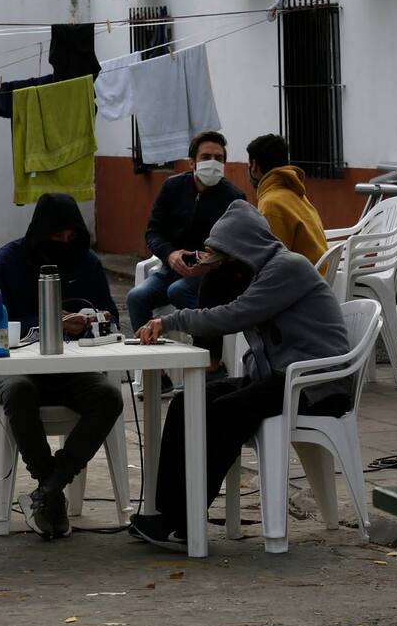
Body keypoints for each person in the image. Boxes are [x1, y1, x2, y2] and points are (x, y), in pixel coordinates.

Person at [127, 200, 352, 552]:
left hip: (315, 384)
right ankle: (165, 513)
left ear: (245, 248)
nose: (226, 266)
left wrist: (170, 321)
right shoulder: (261, 271)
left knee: (223, 413)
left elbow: (233, 316)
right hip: (280, 377)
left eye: (228, 257)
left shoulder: (287, 268)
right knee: (187, 402)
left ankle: (185, 522)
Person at [0, 193, 124, 540]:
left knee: (109, 396)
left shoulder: (86, 263)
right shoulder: (6, 262)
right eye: (56, 237)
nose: (64, 244)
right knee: (19, 390)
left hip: (71, 369)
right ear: (40, 233)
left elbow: (112, 319)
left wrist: (91, 320)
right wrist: (48, 322)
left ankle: (49, 489)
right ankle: (51, 488)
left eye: (71, 237)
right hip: (17, 368)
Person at [125, 131, 244, 333]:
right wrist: (170, 255)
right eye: (206, 157)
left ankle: (209, 343)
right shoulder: (172, 187)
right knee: (136, 297)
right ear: (192, 163)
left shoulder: (234, 198)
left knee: (178, 291)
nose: (213, 163)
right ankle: (148, 350)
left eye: (219, 158)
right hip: (171, 269)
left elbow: (239, 247)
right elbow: (153, 232)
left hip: (210, 276)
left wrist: (211, 262)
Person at [246, 134, 327, 266]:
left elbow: (272, 262)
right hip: (318, 273)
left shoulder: (271, 204)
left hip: (302, 277)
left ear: (254, 165)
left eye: (249, 164)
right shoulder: (296, 193)